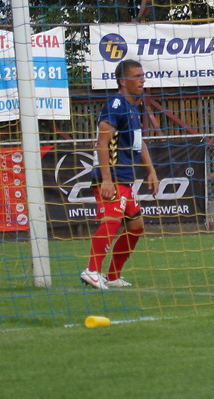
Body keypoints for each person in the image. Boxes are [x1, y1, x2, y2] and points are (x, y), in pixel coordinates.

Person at [81, 59, 159, 290]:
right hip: (112, 178)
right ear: (123, 81)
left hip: (125, 178)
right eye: (137, 76)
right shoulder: (116, 104)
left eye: (143, 75)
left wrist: (151, 171)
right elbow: (102, 142)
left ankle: (113, 276)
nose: (142, 80)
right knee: (112, 222)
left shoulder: (133, 107)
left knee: (136, 227)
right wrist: (106, 179)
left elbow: (139, 142)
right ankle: (92, 270)